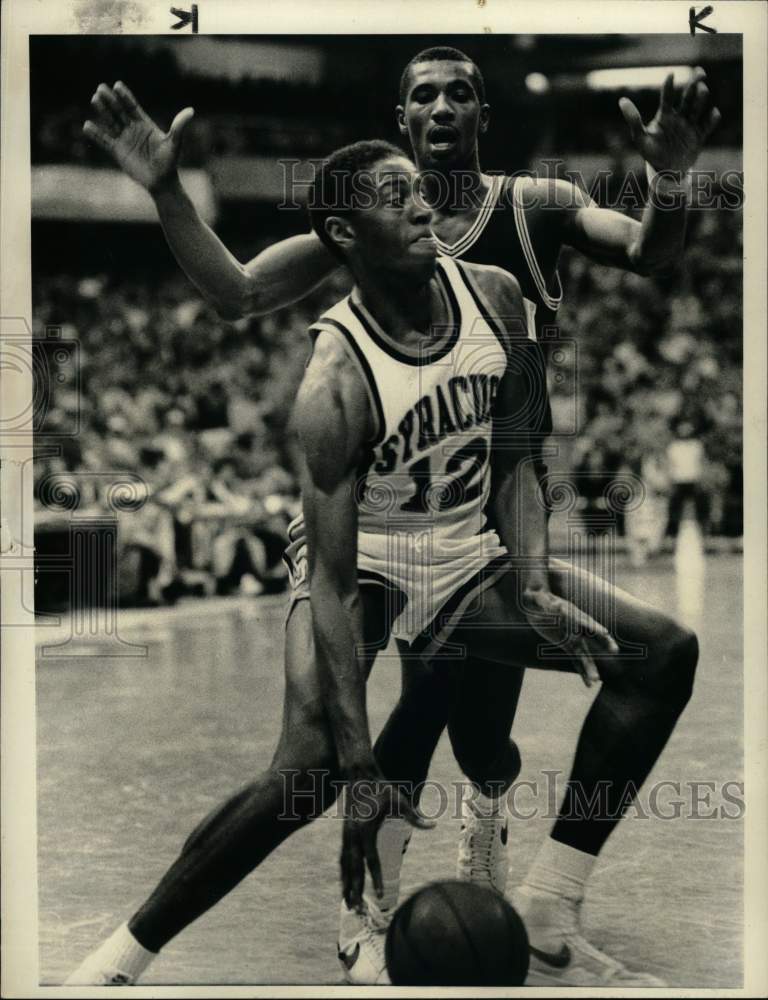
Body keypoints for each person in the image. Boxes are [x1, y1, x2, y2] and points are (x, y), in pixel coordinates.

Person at [78, 48, 718, 985]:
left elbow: (647, 260)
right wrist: (169, 193)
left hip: (488, 519)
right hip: (369, 540)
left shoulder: (524, 224)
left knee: (503, 729)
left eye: (462, 91)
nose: (445, 106)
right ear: (401, 119)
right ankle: (289, 923)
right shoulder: (346, 303)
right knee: (335, 755)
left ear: (483, 113)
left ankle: (540, 894)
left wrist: (670, 178)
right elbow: (238, 291)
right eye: (425, 94)